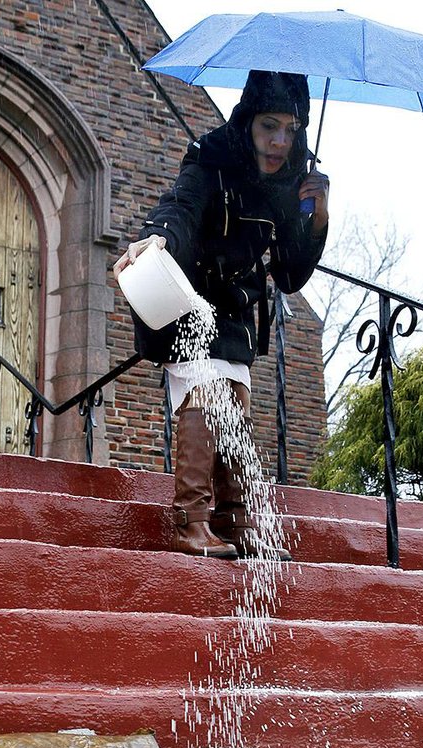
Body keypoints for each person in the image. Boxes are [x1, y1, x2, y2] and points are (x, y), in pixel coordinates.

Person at [114, 70, 329, 560]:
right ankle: (189, 522)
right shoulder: (210, 157)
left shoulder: (288, 183)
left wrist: (316, 217)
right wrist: (158, 239)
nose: (278, 141)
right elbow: (181, 209)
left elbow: (291, 275)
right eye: (268, 126)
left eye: (290, 130)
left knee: (234, 406)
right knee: (203, 397)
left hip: (233, 314)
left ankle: (236, 522)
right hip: (186, 302)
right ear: (248, 120)